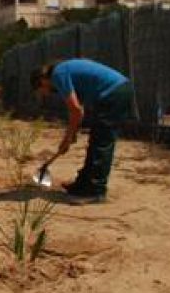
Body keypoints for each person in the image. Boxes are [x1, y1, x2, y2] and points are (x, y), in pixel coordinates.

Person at [32, 59, 133, 201]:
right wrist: (72, 134)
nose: (46, 94)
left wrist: (67, 139)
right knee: (96, 140)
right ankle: (83, 184)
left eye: (42, 90)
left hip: (114, 93)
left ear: (42, 80)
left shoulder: (58, 75)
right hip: (114, 92)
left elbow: (76, 111)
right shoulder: (63, 71)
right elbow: (80, 108)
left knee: (101, 143)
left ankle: (96, 191)